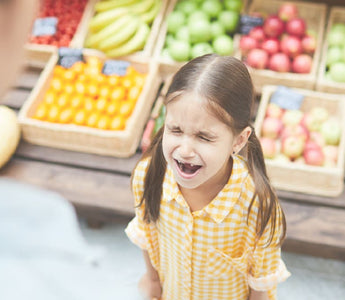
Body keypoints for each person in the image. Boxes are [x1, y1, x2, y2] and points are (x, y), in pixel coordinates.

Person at [125, 54, 291, 300]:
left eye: (204, 137)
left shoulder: (256, 204)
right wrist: (151, 280)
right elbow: (148, 235)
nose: (184, 150)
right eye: (175, 130)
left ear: (239, 140)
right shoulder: (148, 176)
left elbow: (261, 279)